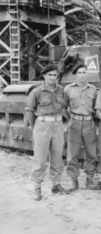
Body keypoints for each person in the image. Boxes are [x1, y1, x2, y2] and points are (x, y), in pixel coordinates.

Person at [25, 64, 69, 201]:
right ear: (44, 76)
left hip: (57, 124)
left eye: (55, 75)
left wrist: (66, 125)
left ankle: (56, 184)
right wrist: (36, 127)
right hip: (42, 124)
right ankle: (37, 187)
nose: (52, 78)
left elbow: (65, 108)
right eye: (49, 75)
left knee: (57, 156)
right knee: (40, 158)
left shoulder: (61, 91)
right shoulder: (36, 91)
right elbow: (29, 111)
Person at [64, 63, 98, 192]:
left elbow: (96, 107)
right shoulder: (68, 89)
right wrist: (70, 120)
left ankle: (90, 179)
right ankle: (74, 181)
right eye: (79, 73)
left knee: (92, 153)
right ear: (75, 75)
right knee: (73, 153)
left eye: (84, 72)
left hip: (89, 123)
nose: (82, 75)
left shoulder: (93, 89)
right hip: (75, 123)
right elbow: (63, 107)